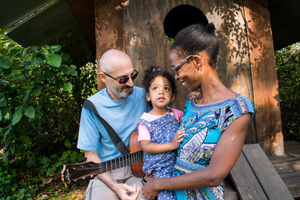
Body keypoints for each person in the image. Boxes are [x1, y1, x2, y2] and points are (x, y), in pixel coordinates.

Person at [142, 23, 255, 200]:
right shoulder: (191, 102)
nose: (176, 77)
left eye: (176, 68)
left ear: (196, 62)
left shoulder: (237, 110)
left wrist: (158, 185)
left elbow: (214, 175)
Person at [77, 49, 150, 200]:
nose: (130, 83)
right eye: (123, 79)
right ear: (103, 77)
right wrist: (116, 187)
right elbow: (91, 156)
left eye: (132, 75)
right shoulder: (92, 107)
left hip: (141, 169)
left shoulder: (145, 96)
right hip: (107, 172)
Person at [137, 66, 185, 200]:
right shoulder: (145, 121)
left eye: (166, 88)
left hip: (176, 166)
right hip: (158, 171)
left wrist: (195, 98)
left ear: (173, 96)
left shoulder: (176, 115)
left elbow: (192, 117)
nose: (161, 92)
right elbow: (146, 146)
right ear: (148, 96)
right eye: (155, 88)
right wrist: (171, 145)